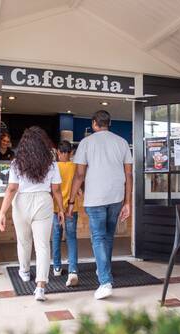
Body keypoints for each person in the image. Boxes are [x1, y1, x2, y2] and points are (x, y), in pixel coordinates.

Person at [67, 110, 132, 300]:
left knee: (98, 238)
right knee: (108, 237)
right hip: (116, 196)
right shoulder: (121, 142)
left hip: (95, 198)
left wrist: (71, 201)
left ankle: (105, 281)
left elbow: (79, 175)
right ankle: (104, 270)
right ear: (108, 123)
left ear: (95, 123)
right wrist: (127, 202)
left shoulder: (86, 143)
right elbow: (129, 175)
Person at [0, 126, 65, 302]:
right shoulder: (51, 163)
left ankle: (25, 272)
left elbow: (12, 188)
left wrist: (2, 212)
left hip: (21, 202)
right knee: (43, 245)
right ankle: (41, 286)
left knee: (24, 241)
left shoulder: (16, 163)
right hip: (44, 201)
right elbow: (56, 190)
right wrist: (62, 210)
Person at [52, 140, 80, 287]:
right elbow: (79, 184)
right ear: (71, 153)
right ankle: (73, 270)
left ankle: (57, 267)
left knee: (56, 236)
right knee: (71, 238)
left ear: (58, 152)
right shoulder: (75, 167)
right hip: (71, 208)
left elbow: (52, 189)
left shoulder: (53, 167)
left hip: (56, 208)